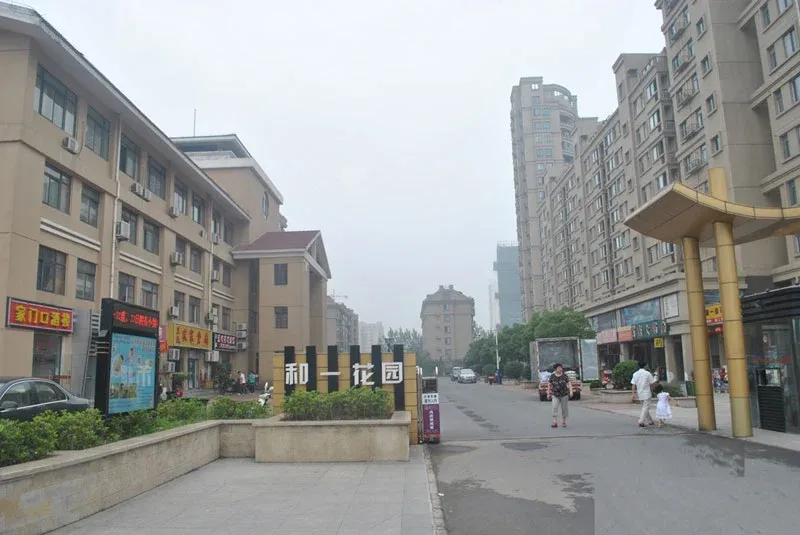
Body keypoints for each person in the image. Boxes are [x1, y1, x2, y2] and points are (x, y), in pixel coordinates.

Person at [631, 361, 657, 427]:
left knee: (645, 407)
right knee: (645, 408)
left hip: (640, 393)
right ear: (645, 366)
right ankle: (641, 421)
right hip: (647, 393)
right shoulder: (647, 373)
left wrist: (633, 394)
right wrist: (653, 390)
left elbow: (633, 385)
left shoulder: (635, 374)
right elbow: (652, 383)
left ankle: (650, 420)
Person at [547, 363, 573, 428]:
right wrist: (548, 393)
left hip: (564, 394)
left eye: (561, 368)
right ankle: (554, 422)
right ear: (555, 369)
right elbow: (549, 384)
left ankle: (564, 421)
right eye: (559, 368)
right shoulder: (552, 376)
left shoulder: (565, 376)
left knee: (564, 408)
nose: (560, 369)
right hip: (555, 394)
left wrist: (571, 391)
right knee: (554, 407)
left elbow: (569, 383)